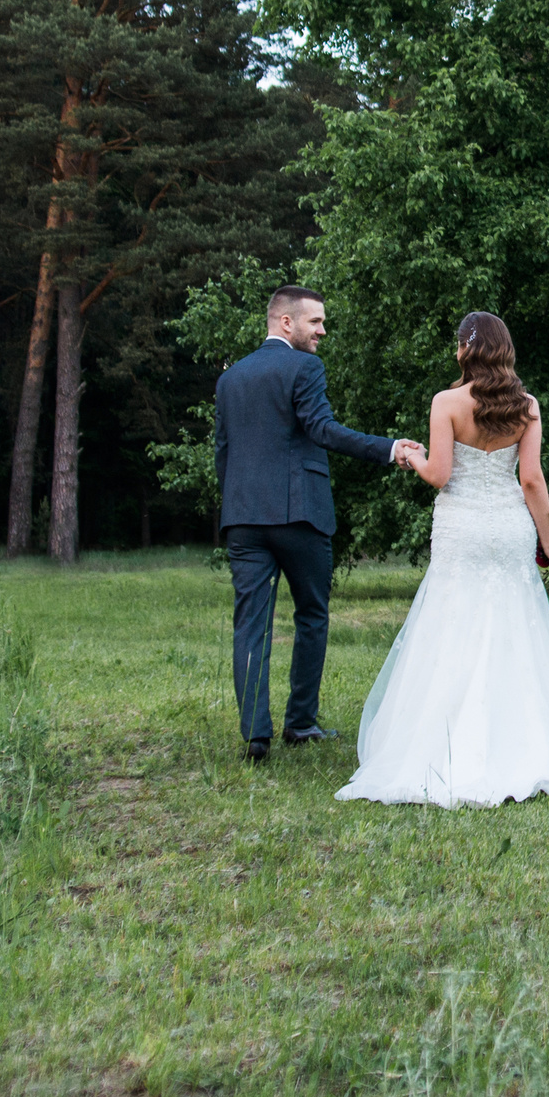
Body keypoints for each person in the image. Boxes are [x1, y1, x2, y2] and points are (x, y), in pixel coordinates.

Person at [337, 311, 549, 807]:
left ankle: (442, 748)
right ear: (504, 351)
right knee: (511, 626)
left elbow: (439, 474)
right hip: (506, 528)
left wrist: (410, 456)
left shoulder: (446, 402)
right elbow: (531, 480)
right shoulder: (525, 406)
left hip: (461, 528)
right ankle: (523, 745)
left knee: (451, 623)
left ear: (465, 349)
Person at [213, 284, 425, 762]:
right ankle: (301, 723)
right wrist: (390, 448)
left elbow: (223, 454)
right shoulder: (305, 366)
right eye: (316, 321)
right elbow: (322, 429)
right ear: (286, 322)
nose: (322, 330)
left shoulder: (231, 379)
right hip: (299, 514)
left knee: (250, 624)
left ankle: (256, 736)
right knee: (311, 615)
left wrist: (237, 507)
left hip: (243, 518)